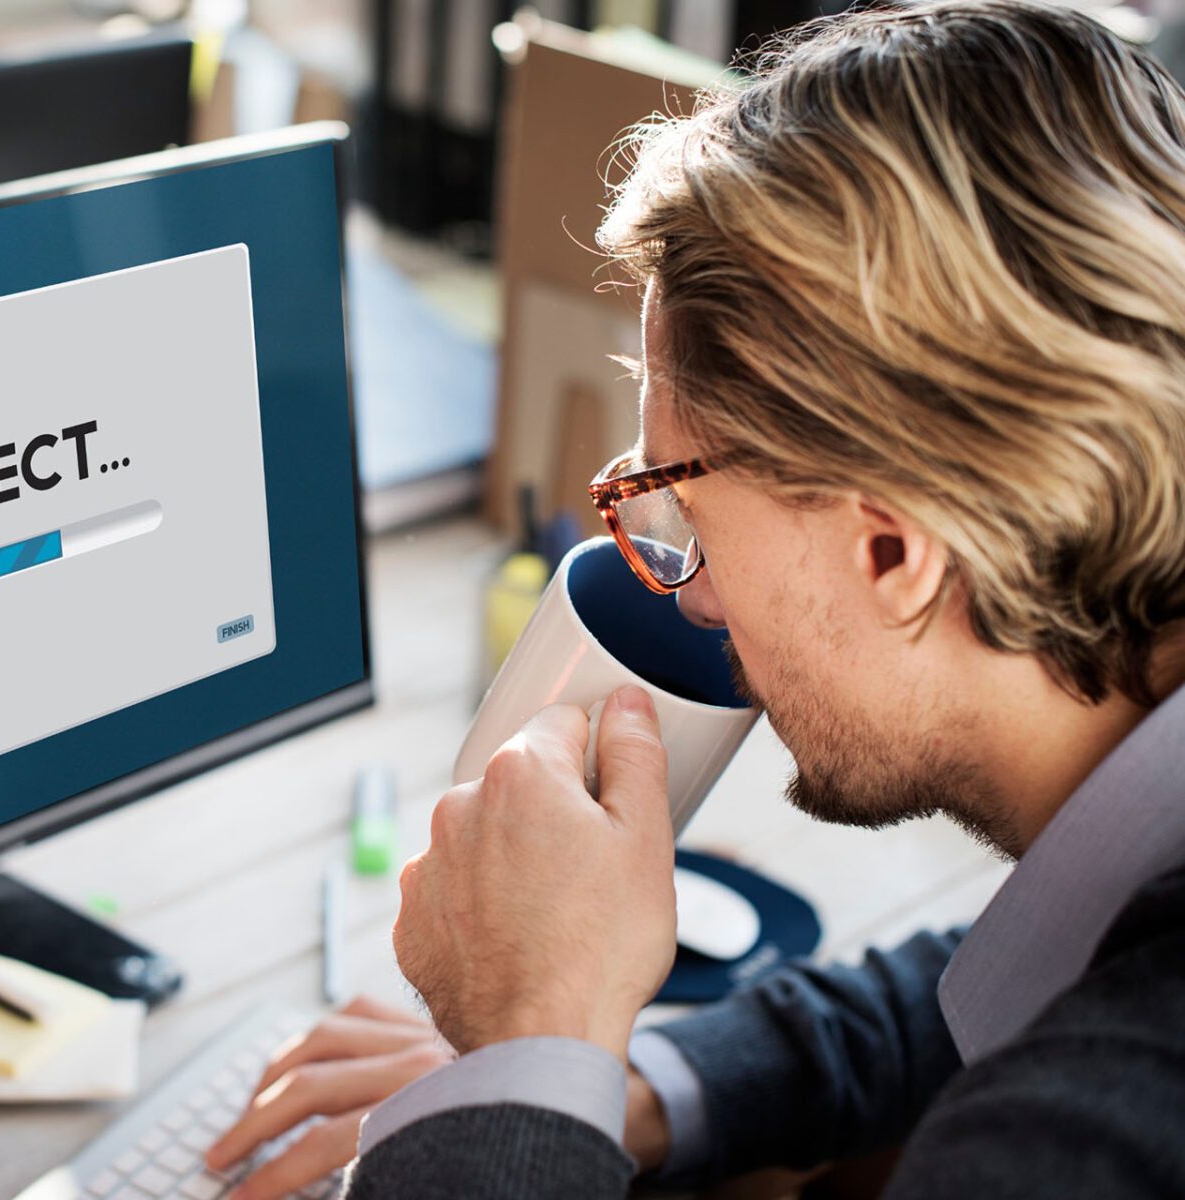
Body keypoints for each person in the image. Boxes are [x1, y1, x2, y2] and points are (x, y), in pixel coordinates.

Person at [203, 1, 1185, 1195]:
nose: (696, 599)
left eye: (685, 513)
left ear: (895, 554)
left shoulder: (1095, 1145)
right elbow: (1008, 980)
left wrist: (529, 1037)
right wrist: (609, 1087)